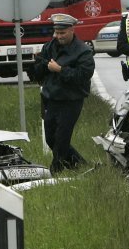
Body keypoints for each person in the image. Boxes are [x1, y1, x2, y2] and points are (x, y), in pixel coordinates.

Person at [27, 13, 95, 172]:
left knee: (61, 139)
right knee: (51, 138)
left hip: (71, 100)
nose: (59, 36)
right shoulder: (49, 46)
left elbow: (83, 76)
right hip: (52, 98)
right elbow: (39, 71)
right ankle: (81, 166)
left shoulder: (83, 51)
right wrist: (38, 65)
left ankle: (55, 171)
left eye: (62, 33)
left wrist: (60, 70)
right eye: (56, 33)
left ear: (72, 30)